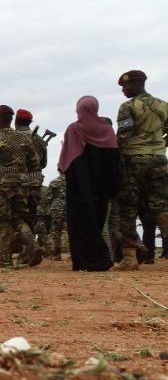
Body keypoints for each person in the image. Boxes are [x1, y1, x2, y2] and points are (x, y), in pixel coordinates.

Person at [114, 70, 168, 269]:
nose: (123, 90)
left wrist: (115, 161)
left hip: (134, 161)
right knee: (162, 207)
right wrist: (159, 145)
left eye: (125, 86)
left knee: (128, 208)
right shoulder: (163, 105)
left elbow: (123, 137)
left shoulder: (128, 107)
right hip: (160, 160)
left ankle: (129, 258)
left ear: (136, 85)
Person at [58, 97, 119, 271]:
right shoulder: (107, 130)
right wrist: (113, 189)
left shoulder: (74, 129)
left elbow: (67, 161)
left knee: (81, 223)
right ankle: (101, 259)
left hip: (79, 187)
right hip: (103, 187)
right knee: (98, 222)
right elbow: (114, 161)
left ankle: (85, 261)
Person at [0, 105, 42, 268]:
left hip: (2, 183)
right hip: (22, 183)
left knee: (2, 218)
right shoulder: (24, 139)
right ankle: (32, 243)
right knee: (18, 216)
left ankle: (5, 259)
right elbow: (34, 162)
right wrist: (20, 172)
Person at [15, 108, 49, 251]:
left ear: (16, 122)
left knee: (17, 214)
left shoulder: (12, 138)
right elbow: (43, 164)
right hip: (35, 180)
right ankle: (31, 247)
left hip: (17, 180)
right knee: (32, 214)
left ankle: (25, 247)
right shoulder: (39, 139)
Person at [45, 174, 67, 261]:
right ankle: (76, 254)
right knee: (73, 230)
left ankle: (57, 254)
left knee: (57, 231)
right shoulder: (73, 182)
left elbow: (49, 198)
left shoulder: (54, 182)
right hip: (70, 207)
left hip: (57, 208)